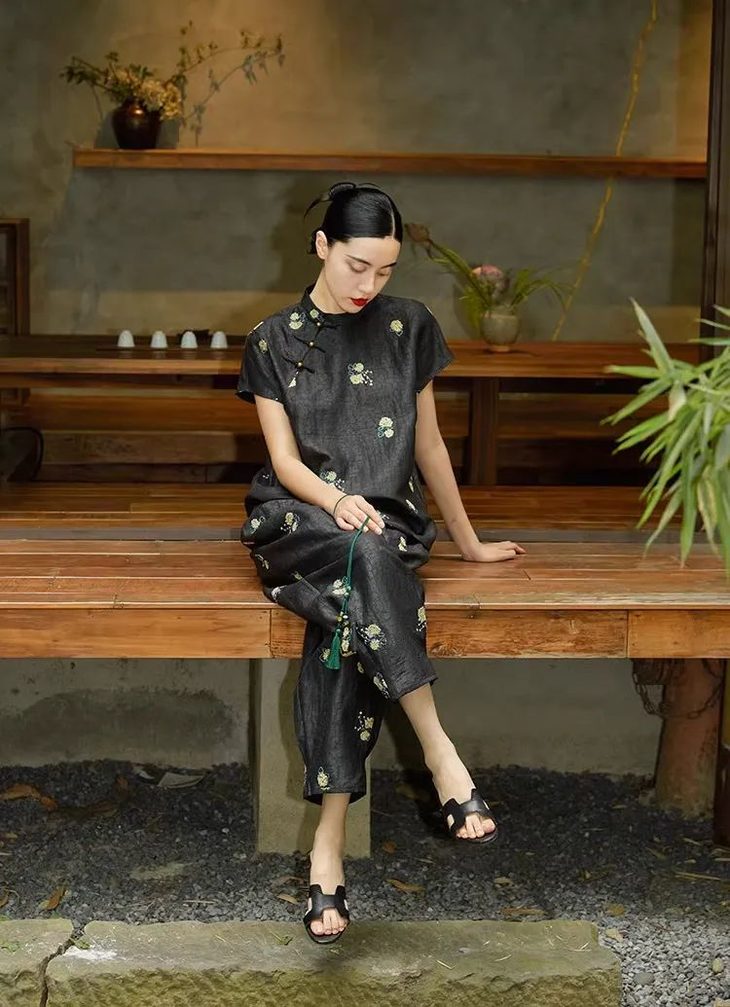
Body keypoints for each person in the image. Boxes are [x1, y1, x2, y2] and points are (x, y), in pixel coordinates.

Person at [236, 181, 525, 944]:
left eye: (387, 269)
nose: (370, 284)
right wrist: (336, 502)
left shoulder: (410, 326)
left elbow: (427, 444)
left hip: (385, 528)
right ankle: (439, 750)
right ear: (322, 246)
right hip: (300, 520)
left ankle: (326, 845)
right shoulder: (273, 338)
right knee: (361, 562)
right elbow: (284, 461)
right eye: (357, 265)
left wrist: (468, 541)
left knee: (349, 612)